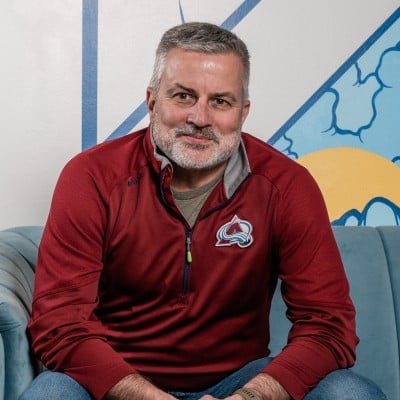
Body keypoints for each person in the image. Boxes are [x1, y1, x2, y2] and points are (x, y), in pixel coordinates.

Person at [21, 22, 387, 400]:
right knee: (50, 395)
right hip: (116, 382)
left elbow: (328, 326)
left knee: (350, 393)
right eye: (183, 96)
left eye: (221, 102)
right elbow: (59, 322)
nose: (200, 117)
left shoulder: (287, 185)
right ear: (152, 101)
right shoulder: (91, 177)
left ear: (243, 112)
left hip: (241, 382)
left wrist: (252, 397)